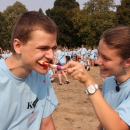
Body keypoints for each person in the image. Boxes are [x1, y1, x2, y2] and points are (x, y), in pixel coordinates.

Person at [63, 26, 130, 130]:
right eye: (98, 54)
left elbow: (118, 127)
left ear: (127, 62)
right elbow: (105, 121)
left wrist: (90, 83)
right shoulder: (109, 81)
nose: (97, 61)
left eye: (106, 58)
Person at [0, 11, 58, 130]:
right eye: (43, 48)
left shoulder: (41, 74)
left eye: (53, 48)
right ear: (18, 46)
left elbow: (46, 124)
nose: (51, 56)